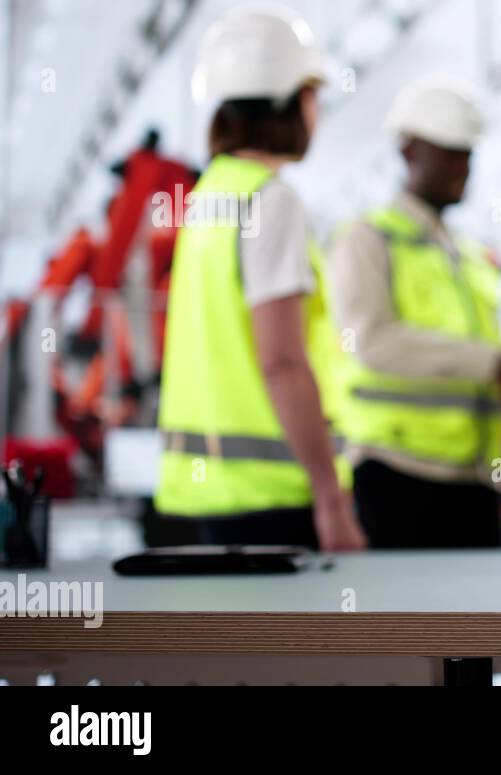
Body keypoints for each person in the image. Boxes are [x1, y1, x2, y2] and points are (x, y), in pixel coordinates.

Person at [155, 6, 365, 552]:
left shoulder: (208, 198)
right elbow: (282, 361)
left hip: (212, 495)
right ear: (289, 101)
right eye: (312, 94)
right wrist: (330, 497)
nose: (316, 110)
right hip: (275, 497)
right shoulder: (270, 201)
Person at [327, 75, 501, 549]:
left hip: (475, 478)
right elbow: (371, 342)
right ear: (407, 151)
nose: (462, 165)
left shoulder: (467, 257)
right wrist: (492, 361)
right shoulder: (368, 239)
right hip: (396, 477)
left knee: (483, 625)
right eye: (448, 151)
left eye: (467, 153)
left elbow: (480, 353)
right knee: (405, 625)